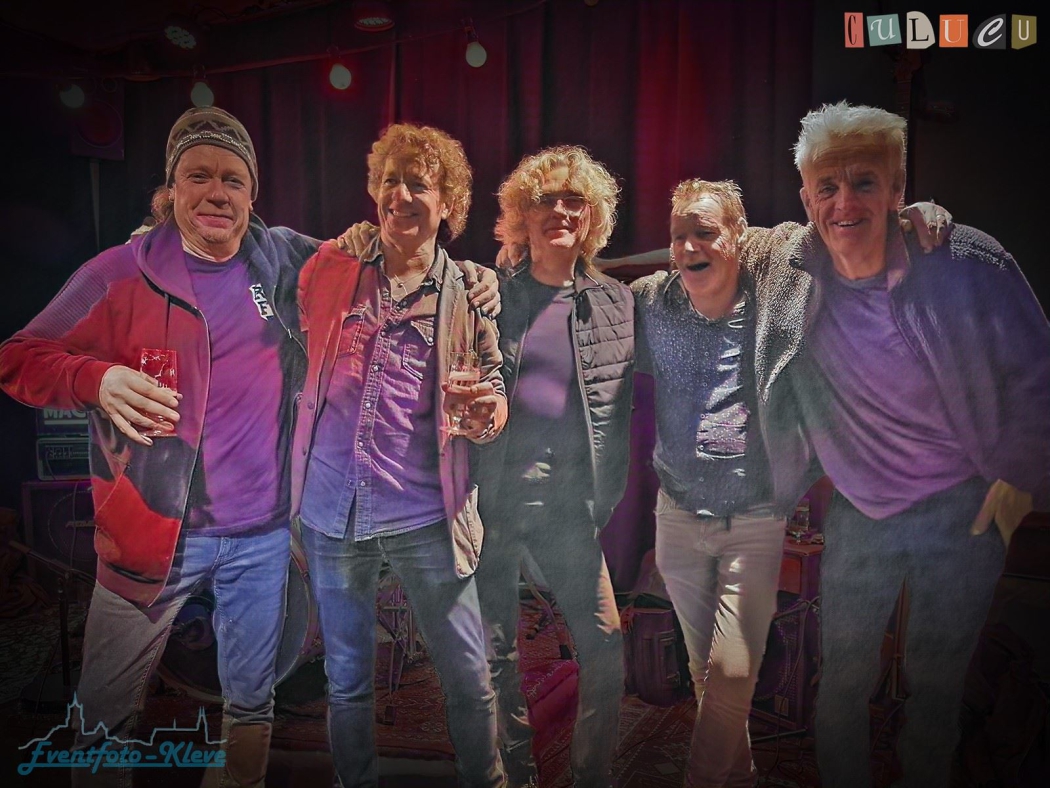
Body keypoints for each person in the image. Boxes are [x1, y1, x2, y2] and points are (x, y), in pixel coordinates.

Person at [0, 106, 316, 787]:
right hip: (150, 544)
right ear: (170, 190)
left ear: (252, 194)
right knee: (101, 721)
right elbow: (18, 358)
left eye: (232, 179)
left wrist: (469, 278)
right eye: (198, 176)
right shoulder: (117, 274)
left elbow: (376, 264)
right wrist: (95, 378)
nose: (216, 192)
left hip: (262, 538)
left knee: (250, 711)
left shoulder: (282, 261)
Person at [750, 101, 1050, 788]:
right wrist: (583, 267)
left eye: (864, 182)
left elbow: (1040, 377)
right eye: (827, 186)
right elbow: (699, 248)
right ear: (806, 198)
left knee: (938, 686)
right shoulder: (788, 268)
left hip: (963, 510)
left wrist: (1016, 487)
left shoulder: (967, 261)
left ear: (896, 189)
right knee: (843, 679)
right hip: (863, 511)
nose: (844, 202)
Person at [290, 122, 508, 788]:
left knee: (468, 677)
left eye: (420, 184)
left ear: (448, 204)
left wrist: (488, 418)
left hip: (426, 515)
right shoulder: (331, 269)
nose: (402, 195)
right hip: (333, 509)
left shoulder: (468, 292)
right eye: (391, 181)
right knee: (347, 680)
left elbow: (495, 387)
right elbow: (263, 270)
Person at [474, 146, 634, 788]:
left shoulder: (618, 303)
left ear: (592, 217)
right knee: (495, 658)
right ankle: (517, 777)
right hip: (490, 505)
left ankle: (590, 776)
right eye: (546, 200)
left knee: (606, 646)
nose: (561, 211)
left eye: (575, 201)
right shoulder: (490, 297)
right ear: (522, 213)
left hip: (569, 510)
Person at [629, 179, 786, 788]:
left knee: (732, 671)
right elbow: (580, 291)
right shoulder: (653, 301)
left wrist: (914, 217)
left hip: (755, 519)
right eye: (678, 236)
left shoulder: (774, 302)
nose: (689, 246)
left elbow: (827, 240)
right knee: (707, 676)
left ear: (738, 237)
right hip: (677, 516)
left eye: (704, 232)